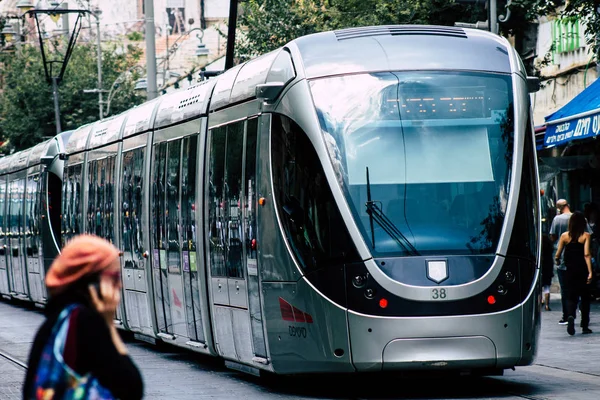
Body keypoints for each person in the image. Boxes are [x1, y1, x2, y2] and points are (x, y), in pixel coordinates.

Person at [23, 234, 143, 400]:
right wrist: (108, 324)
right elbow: (131, 388)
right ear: (93, 283)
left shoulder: (53, 323)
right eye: (114, 277)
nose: (120, 285)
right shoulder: (85, 322)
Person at [554, 211, 594, 335]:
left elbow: (558, 254)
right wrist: (590, 272)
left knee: (571, 297)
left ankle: (571, 315)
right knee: (585, 297)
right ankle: (585, 325)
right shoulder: (586, 236)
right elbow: (586, 254)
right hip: (582, 270)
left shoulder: (564, 236)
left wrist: (557, 260)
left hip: (569, 271)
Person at [549, 199, 573, 324]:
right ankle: (577, 311)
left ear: (558, 208)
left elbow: (552, 237)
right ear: (568, 205)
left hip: (562, 256)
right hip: (578, 257)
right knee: (577, 286)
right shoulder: (578, 218)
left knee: (565, 288)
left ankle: (566, 315)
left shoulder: (557, 219)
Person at [541, 234, 555, 310]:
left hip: (541, 269)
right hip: (548, 269)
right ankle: (547, 305)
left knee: (539, 288)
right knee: (547, 288)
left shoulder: (540, 253)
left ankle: (541, 300)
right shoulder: (549, 252)